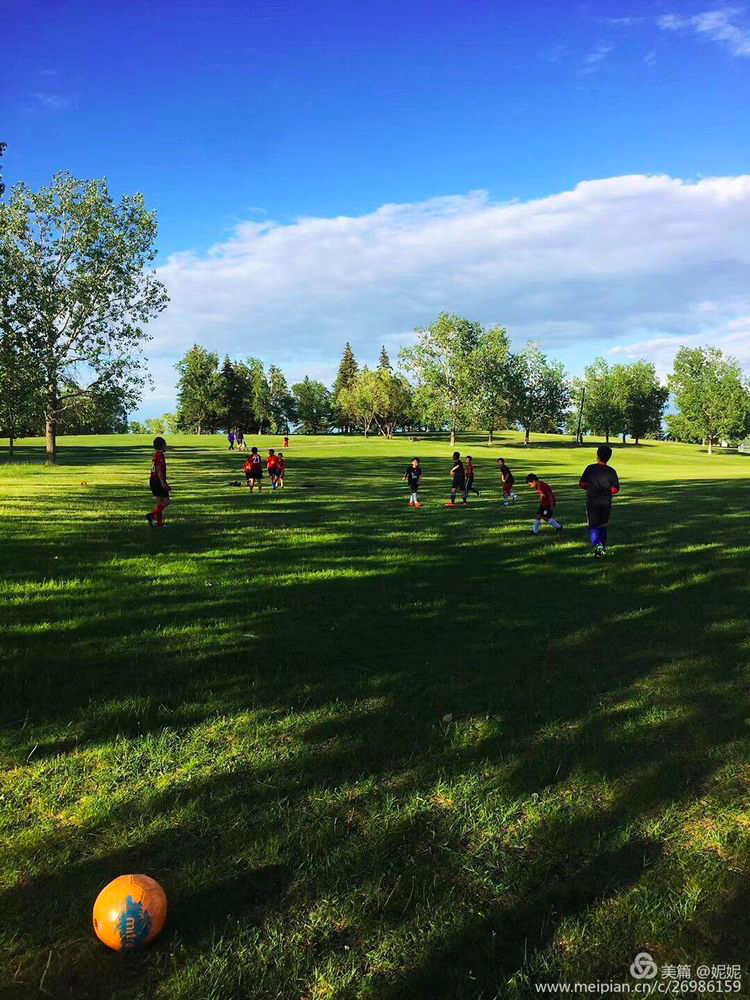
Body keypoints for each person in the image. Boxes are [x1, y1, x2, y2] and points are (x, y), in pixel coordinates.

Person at [579, 444, 620, 557]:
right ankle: (602, 549)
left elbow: (582, 484)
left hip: (592, 501)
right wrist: (606, 491)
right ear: (609, 457)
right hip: (606, 502)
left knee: (593, 526)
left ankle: (597, 545)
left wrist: (592, 487)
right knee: (603, 525)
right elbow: (615, 489)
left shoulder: (590, 468)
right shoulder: (611, 471)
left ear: (597, 455)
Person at [146, 436, 171, 528]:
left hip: (153, 481)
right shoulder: (160, 456)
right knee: (167, 501)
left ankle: (160, 524)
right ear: (162, 446)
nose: (166, 446)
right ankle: (152, 515)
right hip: (158, 482)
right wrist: (163, 483)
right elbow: (159, 470)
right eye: (165, 444)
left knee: (160, 503)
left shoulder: (155, 455)